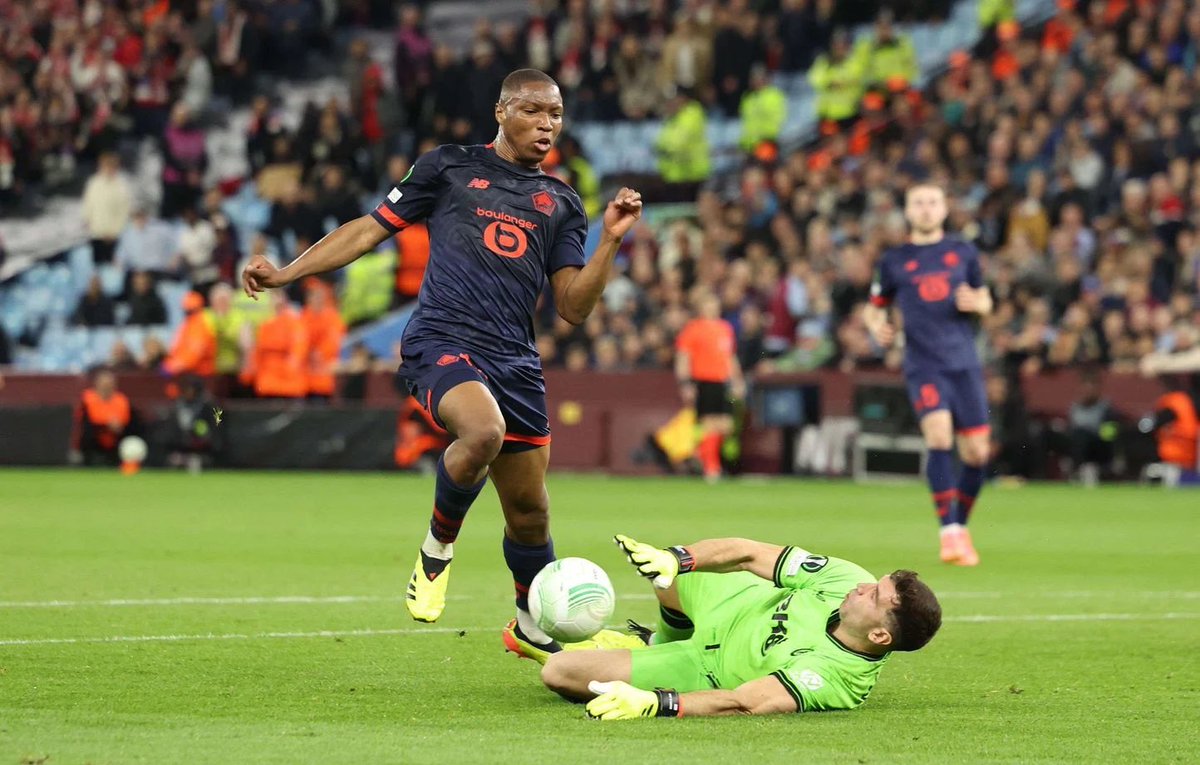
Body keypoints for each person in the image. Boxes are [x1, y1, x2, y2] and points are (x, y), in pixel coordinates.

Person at [242, 69, 642, 659]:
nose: (547, 124)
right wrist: (287, 272)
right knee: (483, 430)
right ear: (502, 110)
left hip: (516, 359)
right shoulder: (448, 167)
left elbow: (573, 308)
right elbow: (366, 232)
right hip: (442, 339)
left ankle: (531, 629)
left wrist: (608, 242)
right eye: (534, 111)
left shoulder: (560, 201)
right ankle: (437, 551)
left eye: (555, 114)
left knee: (530, 514)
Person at [531, 534, 941, 719]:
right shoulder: (844, 578)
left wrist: (658, 703)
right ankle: (661, 638)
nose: (861, 586)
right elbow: (748, 553)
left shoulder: (834, 677)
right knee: (667, 573)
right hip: (734, 604)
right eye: (874, 582)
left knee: (559, 672)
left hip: (705, 671)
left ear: (880, 636)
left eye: (874, 596)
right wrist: (677, 557)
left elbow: (746, 701)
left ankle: (659, 652)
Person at [865, 184, 993, 566]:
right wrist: (876, 326)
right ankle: (948, 534)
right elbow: (873, 307)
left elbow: (987, 298)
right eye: (918, 203)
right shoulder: (894, 260)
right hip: (924, 364)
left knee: (978, 453)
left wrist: (978, 303)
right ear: (907, 210)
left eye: (932, 202)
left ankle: (958, 526)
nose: (925, 209)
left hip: (964, 363)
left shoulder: (962, 252)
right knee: (939, 437)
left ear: (944, 208)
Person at [675, 291, 746, 481]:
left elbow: (730, 357)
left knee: (726, 425)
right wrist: (685, 383)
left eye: (714, 304)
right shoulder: (692, 329)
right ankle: (711, 468)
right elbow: (683, 358)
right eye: (708, 304)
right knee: (709, 423)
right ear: (701, 308)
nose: (712, 308)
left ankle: (701, 455)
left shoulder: (725, 328)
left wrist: (738, 380)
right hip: (704, 381)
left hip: (722, 381)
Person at [72, 368, 134, 466]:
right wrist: (106, 425)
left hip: (115, 439)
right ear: (97, 384)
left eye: (109, 383)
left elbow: (125, 422)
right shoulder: (87, 398)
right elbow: (83, 420)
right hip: (94, 437)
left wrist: (117, 426)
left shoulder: (121, 400)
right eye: (104, 383)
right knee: (87, 435)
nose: (106, 386)